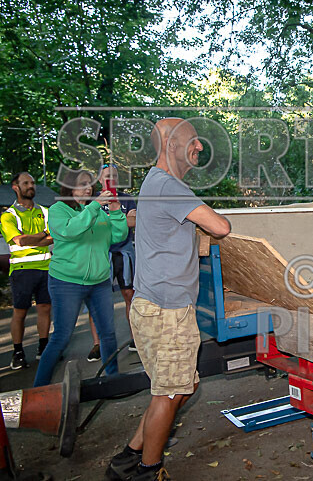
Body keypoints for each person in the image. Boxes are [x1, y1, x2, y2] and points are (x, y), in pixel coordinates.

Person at [106, 119, 230, 481]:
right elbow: (221, 227)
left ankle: (129, 457)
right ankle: (149, 470)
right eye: (193, 140)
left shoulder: (154, 182)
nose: (200, 147)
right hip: (167, 311)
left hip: (155, 306)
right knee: (170, 392)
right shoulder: (169, 186)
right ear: (171, 145)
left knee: (182, 386)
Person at [33, 170, 128, 387]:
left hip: (100, 282)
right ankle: (40, 389)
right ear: (69, 187)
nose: (88, 188)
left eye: (90, 184)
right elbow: (70, 231)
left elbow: (117, 236)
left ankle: (113, 380)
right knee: (61, 338)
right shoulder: (58, 210)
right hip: (66, 282)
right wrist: (95, 207)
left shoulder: (96, 211)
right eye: (82, 184)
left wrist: (115, 212)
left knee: (108, 334)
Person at [0, 172, 52, 370]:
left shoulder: (45, 212)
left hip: (45, 267)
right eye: (26, 183)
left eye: (32, 182)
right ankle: (18, 352)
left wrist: (34, 238)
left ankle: (43, 347)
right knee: (20, 311)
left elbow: (54, 236)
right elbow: (20, 240)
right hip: (22, 271)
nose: (31, 186)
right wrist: (43, 234)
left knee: (45, 308)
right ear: (16, 187)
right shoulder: (8, 216)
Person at [87, 164, 137, 362]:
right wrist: (119, 220)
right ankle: (97, 344)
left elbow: (133, 221)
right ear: (100, 179)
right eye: (107, 176)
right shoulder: (93, 200)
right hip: (100, 254)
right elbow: (89, 223)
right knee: (97, 298)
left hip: (124, 253)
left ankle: (135, 338)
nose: (111, 180)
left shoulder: (126, 198)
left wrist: (106, 220)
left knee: (130, 295)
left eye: (115, 176)